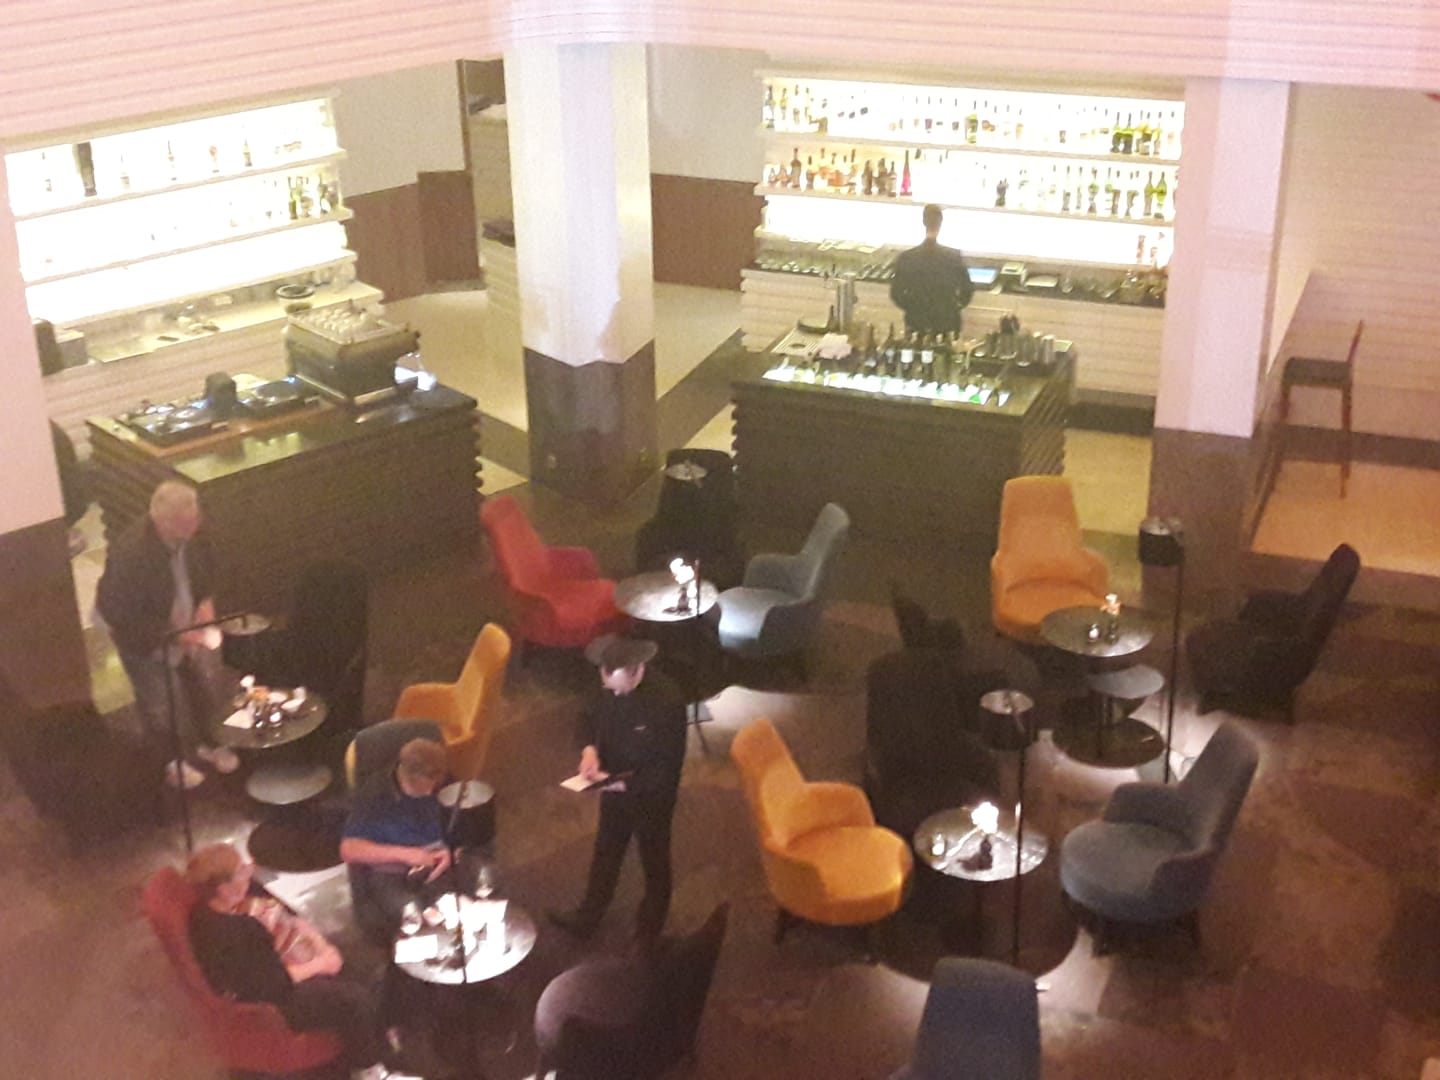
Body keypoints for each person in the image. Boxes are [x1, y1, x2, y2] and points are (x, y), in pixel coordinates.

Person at [184, 843, 412, 1080]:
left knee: (359, 968)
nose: (249, 873)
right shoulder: (240, 932)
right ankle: (369, 1069)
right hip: (274, 1004)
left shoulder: (202, 912)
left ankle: (377, 1037)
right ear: (223, 889)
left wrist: (317, 943)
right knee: (353, 999)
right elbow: (273, 984)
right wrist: (321, 963)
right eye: (241, 871)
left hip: (271, 973)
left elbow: (282, 914)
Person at [96, 480, 238, 789]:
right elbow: (119, 615)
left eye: (194, 520)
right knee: (160, 705)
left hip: (186, 627)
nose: (193, 529)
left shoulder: (196, 532)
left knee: (204, 687)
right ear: (161, 521)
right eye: (184, 525)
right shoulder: (131, 554)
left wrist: (205, 604)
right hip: (146, 642)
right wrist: (178, 636)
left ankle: (209, 744)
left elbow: (208, 570)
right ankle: (170, 763)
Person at [549, 634, 687, 941]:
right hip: (612, 784)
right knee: (606, 852)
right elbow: (587, 716)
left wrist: (621, 784)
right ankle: (587, 918)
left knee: (655, 860)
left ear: (636, 672)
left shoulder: (667, 702)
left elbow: (666, 769)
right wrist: (588, 751)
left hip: (651, 798)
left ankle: (649, 931)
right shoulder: (606, 684)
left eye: (618, 687)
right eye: (607, 686)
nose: (612, 692)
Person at [340, 737, 454, 944]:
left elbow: (455, 823)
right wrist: (405, 854)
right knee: (412, 915)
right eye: (421, 788)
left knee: (451, 908)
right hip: (389, 871)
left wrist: (448, 851)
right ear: (404, 774)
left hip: (432, 862)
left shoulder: (440, 783)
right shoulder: (373, 794)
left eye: (433, 786)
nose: (429, 792)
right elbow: (349, 849)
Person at [889, 203, 975, 336]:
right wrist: (954, 306)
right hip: (947, 319)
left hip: (917, 319)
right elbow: (967, 289)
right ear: (941, 223)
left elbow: (896, 293)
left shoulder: (907, 257)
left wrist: (912, 307)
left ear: (923, 222)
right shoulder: (953, 257)